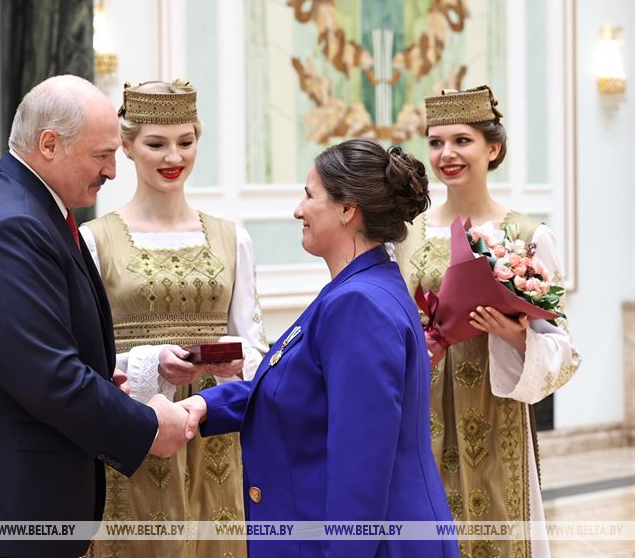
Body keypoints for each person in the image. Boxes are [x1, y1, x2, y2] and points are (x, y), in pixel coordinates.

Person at [0, 75, 190, 558]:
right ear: (49, 144)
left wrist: (105, 378)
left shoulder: (19, 200)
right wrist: (146, 427)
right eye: (102, 154)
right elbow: (45, 376)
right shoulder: (15, 223)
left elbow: (30, 349)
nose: (111, 170)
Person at [181, 139, 458, 558]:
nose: (298, 210)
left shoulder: (357, 304)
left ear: (348, 209)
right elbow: (299, 388)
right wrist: (205, 405)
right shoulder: (361, 286)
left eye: (310, 196)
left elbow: (360, 468)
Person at [80, 79, 267, 558]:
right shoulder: (94, 240)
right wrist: (150, 363)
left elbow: (257, 347)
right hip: (133, 433)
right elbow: (82, 360)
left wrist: (235, 362)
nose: (173, 157)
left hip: (214, 438)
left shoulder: (233, 239)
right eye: (156, 144)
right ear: (126, 146)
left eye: (186, 142)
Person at [395, 86, 580, 558]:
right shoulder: (407, 234)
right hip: (423, 409)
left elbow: (565, 352)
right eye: (436, 142)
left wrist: (519, 338)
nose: (447, 154)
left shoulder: (528, 236)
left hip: (496, 416)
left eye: (462, 140)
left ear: (492, 148)